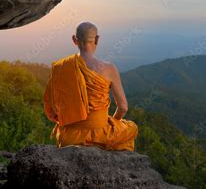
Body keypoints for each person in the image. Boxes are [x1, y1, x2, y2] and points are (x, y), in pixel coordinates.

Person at [43, 22, 138, 151]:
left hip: (70, 136)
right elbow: (123, 107)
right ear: (97, 39)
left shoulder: (61, 68)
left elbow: (51, 110)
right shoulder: (109, 69)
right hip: (101, 135)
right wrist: (111, 123)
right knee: (131, 128)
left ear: (75, 40)